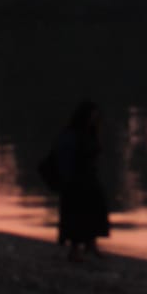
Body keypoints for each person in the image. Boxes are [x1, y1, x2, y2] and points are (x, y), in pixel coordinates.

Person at [51, 100, 110, 259]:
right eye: (92, 115)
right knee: (75, 215)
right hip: (75, 181)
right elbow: (64, 158)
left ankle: (91, 244)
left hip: (90, 179)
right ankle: (74, 250)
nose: (94, 118)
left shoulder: (91, 132)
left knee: (95, 211)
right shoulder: (71, 134)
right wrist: (66, 179)